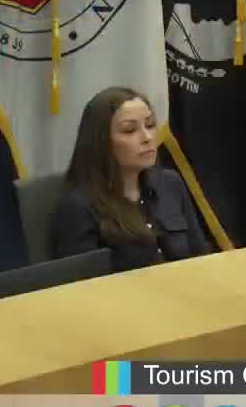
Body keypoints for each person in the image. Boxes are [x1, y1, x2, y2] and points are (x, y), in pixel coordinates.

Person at [52, 87, 211, 271]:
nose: (147, 137)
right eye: (129, 130)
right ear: (101, 141)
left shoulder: (170, 183)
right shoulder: (78, 206)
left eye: (150, 125)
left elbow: (201, 257)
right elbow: (81, 283)